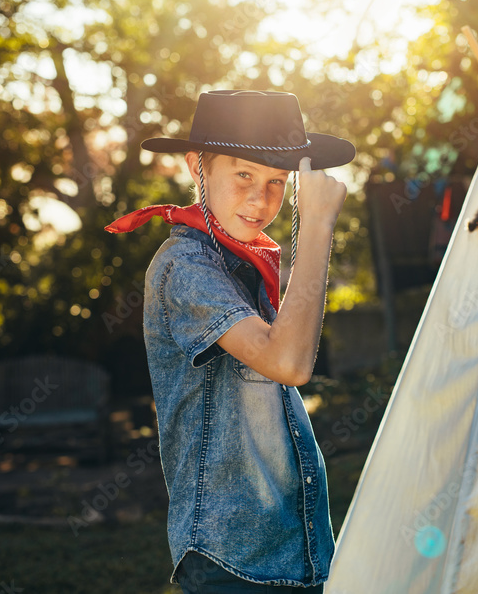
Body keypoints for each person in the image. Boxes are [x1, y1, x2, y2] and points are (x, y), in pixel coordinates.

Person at [105, 90, 355, 593]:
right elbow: (290, 363)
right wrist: (318, 226)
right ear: (197, 165)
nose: (261, 201)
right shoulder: (186, 268)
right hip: (231, 558)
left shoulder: (245, 263)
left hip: (293, 550)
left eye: (276, 183)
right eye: (243, 174)